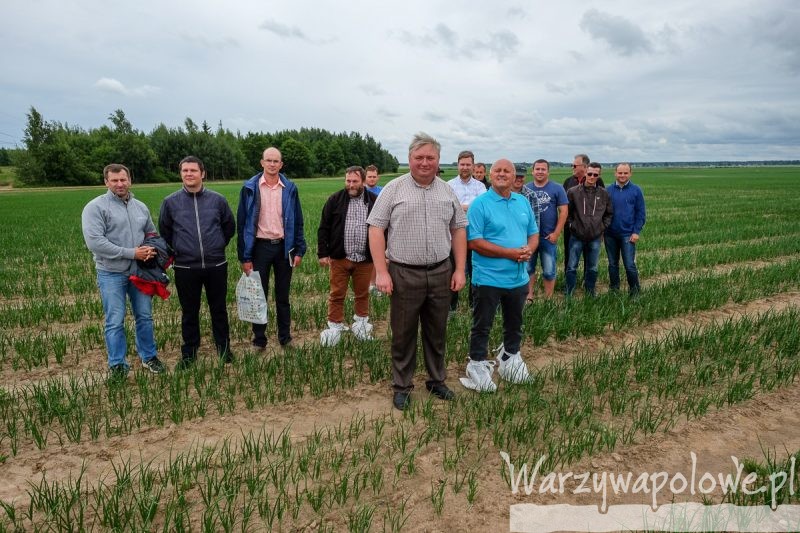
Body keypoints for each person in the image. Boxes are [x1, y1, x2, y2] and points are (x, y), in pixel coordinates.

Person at [368, 132, 467, 410]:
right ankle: (402, 386)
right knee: (403, 333)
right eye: (419, 157)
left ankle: (436, 381)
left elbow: (459, 230)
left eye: (430, 157)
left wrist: (459, 269)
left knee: (437, 331)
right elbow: (375, 229)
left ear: (438, 160)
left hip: (441, 272)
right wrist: (381, 272)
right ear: (409, 158)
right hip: (403, 273)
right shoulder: (393, 189)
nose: (425, 162)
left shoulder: (447, 191)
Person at [460, 159, 538, 392]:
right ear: (490, 175)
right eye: (498, 171)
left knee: (515, 323)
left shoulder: (522, 202)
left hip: (518, 278)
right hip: (488, 279)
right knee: (482, 325)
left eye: (507, 171)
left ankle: (510, 358)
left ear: (514, 177)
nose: (502, 174)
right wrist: (510, 253)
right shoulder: (480, 204)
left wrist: (529, 249)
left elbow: (533, 233)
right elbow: (474, 242)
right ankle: (476, 364)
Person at [81, 163, 165, 379]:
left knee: (144, 316)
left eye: (123, 179)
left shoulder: (140, 207)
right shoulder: (95, 207)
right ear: (106, 182)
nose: (119, 184)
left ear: (130, 180)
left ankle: (149, 357)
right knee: (115, 320)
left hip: (139, 273)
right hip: (111, 273)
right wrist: (132, 253)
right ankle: (118, 364)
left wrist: (151, 249)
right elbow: (95, 243)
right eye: (114, 180)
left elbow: (151, 233)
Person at [159, 156, 236, 369]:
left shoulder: (218, 200)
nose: (189, 174)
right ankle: (189, 353)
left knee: (219, 310)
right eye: (185, 171)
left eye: (193, 170)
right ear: (180, 174)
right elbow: (165, 231)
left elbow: (229, 227)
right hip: (185, 267)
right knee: (189, 312)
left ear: (202, 173)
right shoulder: (170, 202)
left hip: (216, 265)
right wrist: (181, 249)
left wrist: (217, 245)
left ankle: (224, 349)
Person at [237, 147, 307, 350]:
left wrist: (299, 250)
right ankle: (259, 340)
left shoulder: (290, 188)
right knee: (258, 295)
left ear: (281, 164)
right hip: (259, 248)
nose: (272, 164)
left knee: (283, 297)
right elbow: (242, 224)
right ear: (262, 163)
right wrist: (244, 257)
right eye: (269, 160)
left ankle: (285, 338)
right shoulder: (249, 188)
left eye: (276, 161)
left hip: (284, 248)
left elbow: (298, 220)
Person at [317, 165, 378, 345]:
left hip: (364, 258)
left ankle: (361, 326)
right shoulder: (335, 200)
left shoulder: (373, 201)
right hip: (340, 257)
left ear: (363, 181)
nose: (351, 185)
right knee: (337, 294)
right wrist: (323, 253)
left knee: (362, 294)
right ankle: (335, 326)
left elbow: (383, 228)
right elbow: (323, 228)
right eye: (348, 181)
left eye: (355, 181)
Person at [565, 164, 612, 297]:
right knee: (571, 266)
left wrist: (602, 227)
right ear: (585, 173)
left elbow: (609, 213)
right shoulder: (573, 192)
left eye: (595, 175)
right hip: (577, 236)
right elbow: (567, 212)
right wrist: (572, 225)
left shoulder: (604, 193)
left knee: (593, 267)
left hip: (595, 237)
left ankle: (590, 292)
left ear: (599, 175)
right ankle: (569, 292)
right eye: (590, 174)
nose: (592, 177)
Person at [447, 150, 485, 314]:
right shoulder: (449, 185)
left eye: (468, 164)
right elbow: (448, 207)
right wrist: (470, 207)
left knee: (475, 271)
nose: (465, 167)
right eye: (462, 164)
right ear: (458, 165)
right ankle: (451, 307)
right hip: (453, 236)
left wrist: (460, 206)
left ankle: (473, 305)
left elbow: (482, 209)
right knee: (453, 270)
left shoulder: (480, 186)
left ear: (473, 166)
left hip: (474, 236)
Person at [524, 159, 568, 299]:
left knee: (549, 271)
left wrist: (556, 233)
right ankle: (529, 297)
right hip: (529, 237)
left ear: (548, 172)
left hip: (548, 237)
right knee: (528, 268)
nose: (540, 172)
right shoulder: (526, 189)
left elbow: (564, 212)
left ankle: (548, 299)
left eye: (543, 169)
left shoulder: (557, 188)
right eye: (537, 169)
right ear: (532, 171)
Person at [605, 163, 646, 295]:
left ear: (630, 174)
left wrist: (636, 231)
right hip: (610, 234)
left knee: (629, 264)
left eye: (625, 173)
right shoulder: (608, 190)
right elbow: (603, 213)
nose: (622, 175)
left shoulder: (636, 190)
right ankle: (614, 290)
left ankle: (635, 292)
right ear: (615, 173)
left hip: (628, 235)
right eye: (620, 173)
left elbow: (641, 213)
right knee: (612, 264)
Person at [365, 164, 383, 295]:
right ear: (365, 177)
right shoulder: (360, 191)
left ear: (378, 177)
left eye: (374, 177)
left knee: (377, 257)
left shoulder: (383, 191)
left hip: (379, 229)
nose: (372, 179)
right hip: (363, 228)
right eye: (369, 176)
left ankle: (374, 284)